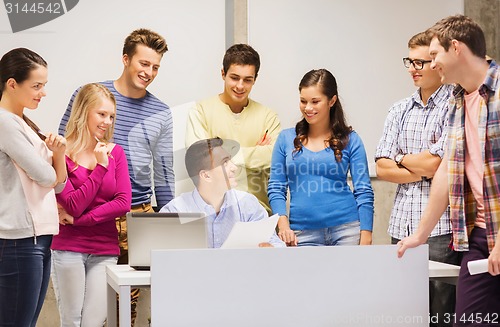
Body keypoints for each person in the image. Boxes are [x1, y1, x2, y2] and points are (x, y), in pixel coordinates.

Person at [58, 28, 172, 325]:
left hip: (136, 213)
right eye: (144, 63)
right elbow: (64, 146)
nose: (149, 72)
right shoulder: (93, 96)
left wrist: (169, 220)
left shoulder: (161, 111)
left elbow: (163, 173)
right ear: (126, 59)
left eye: (155, 67)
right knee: (84, 309)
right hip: (85, 207)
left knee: (127, 305)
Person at [398, 15, 500, 324]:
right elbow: (447, 170)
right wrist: (420, 234)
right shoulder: (457, 101)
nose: (431, 65)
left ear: (455, 48)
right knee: (469, 319)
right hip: (481, 235)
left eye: (434, 56)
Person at [375, 31, 460, 326]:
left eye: (421, 62)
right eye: (410, 61)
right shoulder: (398, 109)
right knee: (405, 308)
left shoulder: (455, 105)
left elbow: (437, 164)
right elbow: (382, 169)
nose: (413, 68)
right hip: (401, 222)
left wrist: (399, 156)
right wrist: (416, 164)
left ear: (437, 63)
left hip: (440, 225)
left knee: (441, 310)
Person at [51, 83, 132, 326]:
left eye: (111, 116)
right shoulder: (60, 154)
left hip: (104, 250)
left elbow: (123, 203)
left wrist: (80, 221)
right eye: (102, 114)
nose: (107, 121)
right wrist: (100, 167)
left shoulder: (116, 152)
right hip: (67, 248)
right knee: (72, 321)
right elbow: (74, 204)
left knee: (93, 323)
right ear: (84, 111)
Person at [268, 69, 374, 247]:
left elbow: (363, 190)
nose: (308, 108)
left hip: (347, 230)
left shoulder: (351, 140)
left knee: (348, 276)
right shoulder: (285, 139)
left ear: (332, 101)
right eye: (303, 101)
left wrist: (366, 235)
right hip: (301, 233)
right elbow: (276, 187)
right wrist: (283, 226)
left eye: (315, 101)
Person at [0, 48, 67, 327]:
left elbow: (60, 184)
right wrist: (54, 163)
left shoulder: (25, 124)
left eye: (44, 86)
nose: (43, 93)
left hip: (38, 237)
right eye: (36, 86)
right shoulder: (4, 123)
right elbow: (45, 176)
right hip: (18, 240)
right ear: (12, 84)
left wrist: (59, 155)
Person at [185, 44, 281, 213]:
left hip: (257, 211)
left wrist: (221, 155)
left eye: (247, 80)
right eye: (234, 78)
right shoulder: (201, 111)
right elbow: (198, 159)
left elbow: (275, 158)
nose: (240, 86)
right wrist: (255, 153)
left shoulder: (268, 117)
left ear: (255, 79)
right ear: (223, 74)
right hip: (213, 210)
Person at [160, 137, 285, 248]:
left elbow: (276, 244)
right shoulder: (175, 211)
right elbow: (159, 257)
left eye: (230, 161)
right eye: (225, 163)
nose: (234, 167)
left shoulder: (247, 204)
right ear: (206, 175)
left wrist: (270, 249)